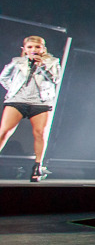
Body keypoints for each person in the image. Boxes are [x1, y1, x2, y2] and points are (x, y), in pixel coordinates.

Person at [0, 35, 61, 182]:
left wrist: (43, 67)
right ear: (24, 49)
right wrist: (13, 90)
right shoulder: (17, 62)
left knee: (39, 133)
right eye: (30, 47)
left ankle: (37, 166)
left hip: (40, 102)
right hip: (17, 100)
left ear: (43, 49)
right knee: (4, 131)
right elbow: (3, 77)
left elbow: (56, 79)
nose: (34, 50)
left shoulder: (52, 62)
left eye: (37, 47)